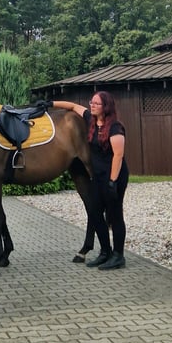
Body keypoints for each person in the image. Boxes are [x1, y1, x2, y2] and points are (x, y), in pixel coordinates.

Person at [41, 93, 129, 270]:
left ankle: (118, 256)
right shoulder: (90, 120)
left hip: (114, 176)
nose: (92, 105)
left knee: (115, 215)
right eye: (92, 102)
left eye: (97, 103)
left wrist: (112, 181)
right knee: (95, 213)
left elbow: (118, 155)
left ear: (106, 107)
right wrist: (50, 103)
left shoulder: (115, 127)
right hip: (98, 176)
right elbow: (73, 106)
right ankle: (105, 252)